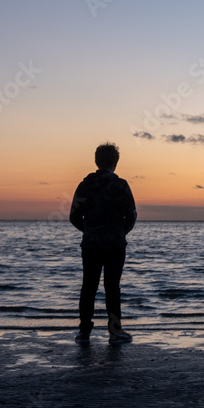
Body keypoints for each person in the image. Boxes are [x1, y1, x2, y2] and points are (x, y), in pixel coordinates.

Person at [69, 142, 137, 344]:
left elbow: (74, 216)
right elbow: (131, 216)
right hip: (115, 244)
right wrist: (118, 232)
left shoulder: (85, 185)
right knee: (112, 288)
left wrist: (89, 230)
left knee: (88, 287)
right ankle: (115, 331)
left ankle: (84, 332)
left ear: (96, 161)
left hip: (91, 244)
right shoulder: (121, 185)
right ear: (115, 162)